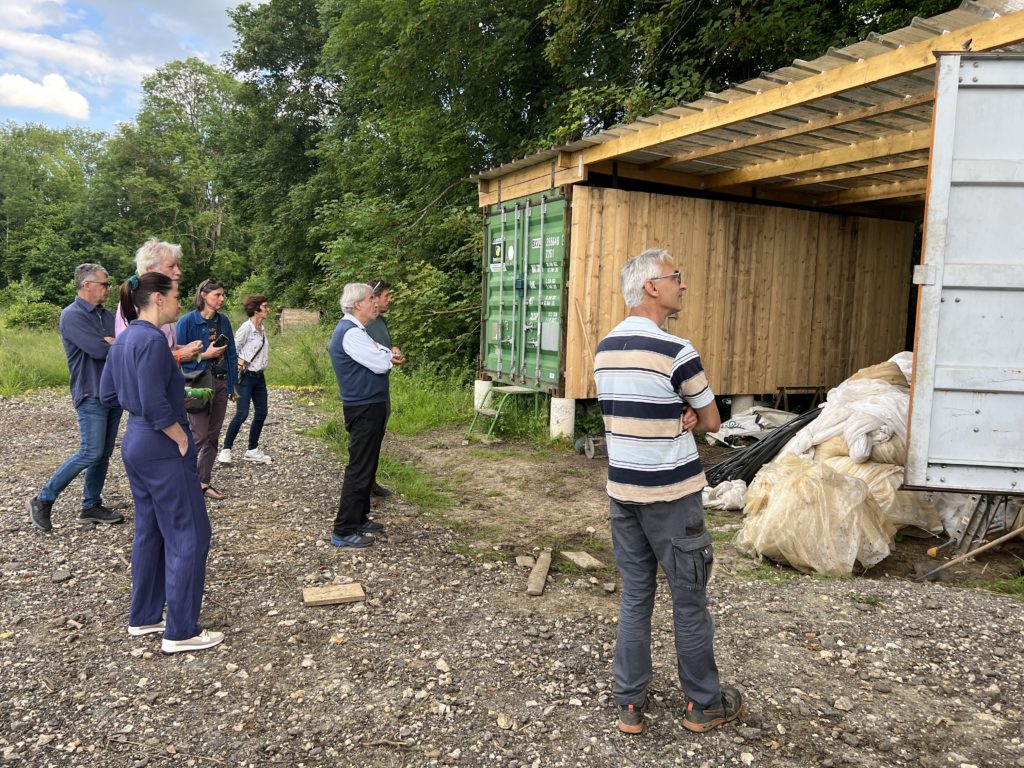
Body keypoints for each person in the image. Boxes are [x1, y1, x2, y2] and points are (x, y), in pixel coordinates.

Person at [593, 248, 741, 735]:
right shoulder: (676, 351)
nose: (683, 284)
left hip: (623, 491)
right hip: (673, 497)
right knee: (689, 599)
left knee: (636, 597)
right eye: (675, 276)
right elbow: (715, 420)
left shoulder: (605, 348)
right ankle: (704, 704)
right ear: (651, 287)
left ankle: (629, 705)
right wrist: (691, 415)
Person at [100, 272, 223, 653]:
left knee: (151, 530)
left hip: (135, 443)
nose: (178, 301)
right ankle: (181, 630)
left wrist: (169, 400)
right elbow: (154, 402)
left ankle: (145, 616)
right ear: (156, 299)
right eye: (175, 295)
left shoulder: (124, 339)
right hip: (161, 444)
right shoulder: (153, 341)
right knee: (191, 533)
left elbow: (108, 394)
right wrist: (180, 434)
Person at [26, 264, 125, 531]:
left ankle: (90, 505)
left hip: (112, 392)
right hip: (90, 391)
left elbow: (120, 345)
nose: (108, 288)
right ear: (87, 285)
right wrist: (112, 343)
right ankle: (43, 499)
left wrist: (114, 342)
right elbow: (98, 350)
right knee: (90, 451)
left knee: (103, 454)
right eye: (104, 284)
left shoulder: (106, 315)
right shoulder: (71, 315)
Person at [327, 283, 403, 548]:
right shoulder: (350, 333)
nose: (375, 303)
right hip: (363, 407)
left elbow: (382, 354)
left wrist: (384, 353)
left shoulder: (357, 330)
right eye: (371, 298)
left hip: (370, 404)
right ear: (357, 304)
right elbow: (383, 363)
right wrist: (386, 354)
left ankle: (359, 518)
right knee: (359, 468)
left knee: (367, 465)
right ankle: (344, 529)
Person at [176, 279, 237, 499]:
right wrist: (205, 355)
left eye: (223, 295)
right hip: (197, 384)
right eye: (217, 295)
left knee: (213, 436)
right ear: (203, 294)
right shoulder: (186, 322)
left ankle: (203, 482)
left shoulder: (224, 322)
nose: (221, 299)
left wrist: (232, 385)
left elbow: (231, 353)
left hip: (220, 382)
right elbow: (177, 357)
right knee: (198, 435)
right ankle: (182, 480)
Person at [114, 237, 203, 364]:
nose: (178, 272)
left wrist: (187, 349)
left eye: (178, 266)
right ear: (151, 269)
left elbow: (163, 348)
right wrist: (179, 355)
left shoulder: (166, 301)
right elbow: (135, 355)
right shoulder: (136, 302)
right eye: (171, 266)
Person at [218, 294, 272, 465]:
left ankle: (252, 449)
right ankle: (226, 450)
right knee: (242, 414)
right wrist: (235, 372)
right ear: (256, 310)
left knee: (262, 413)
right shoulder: (246, 328)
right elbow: (232, 350)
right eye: (265, 306)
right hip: (245, 377)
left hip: (259, 377)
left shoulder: (262, 329)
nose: (268, 309)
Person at [365, 278, 405, 499]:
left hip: (382, 388)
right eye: (387, 296)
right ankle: (362, 485)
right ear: (375, 297)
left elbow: (383, 346)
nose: (391, 300)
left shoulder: (381, 322)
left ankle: (370, 482)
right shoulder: (362, 324)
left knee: (377, 437)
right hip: (367, 392)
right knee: (365, 439)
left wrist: (393, 349)